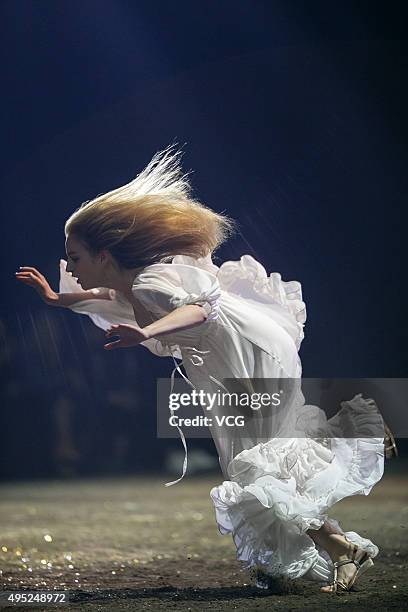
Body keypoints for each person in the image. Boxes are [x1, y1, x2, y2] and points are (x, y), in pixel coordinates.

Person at [16, 144, 387, 593]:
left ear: (105, 258)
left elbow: (198, 313)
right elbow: (105, 300)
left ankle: (344, 527)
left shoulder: (151, 285)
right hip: (237, 360)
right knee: (260, 464)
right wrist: (58, 300)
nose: (70, 268)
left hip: (246, 360)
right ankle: (342, 548)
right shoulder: (131, 286)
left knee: (258, 467)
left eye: (75, 258)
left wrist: (148, 334)